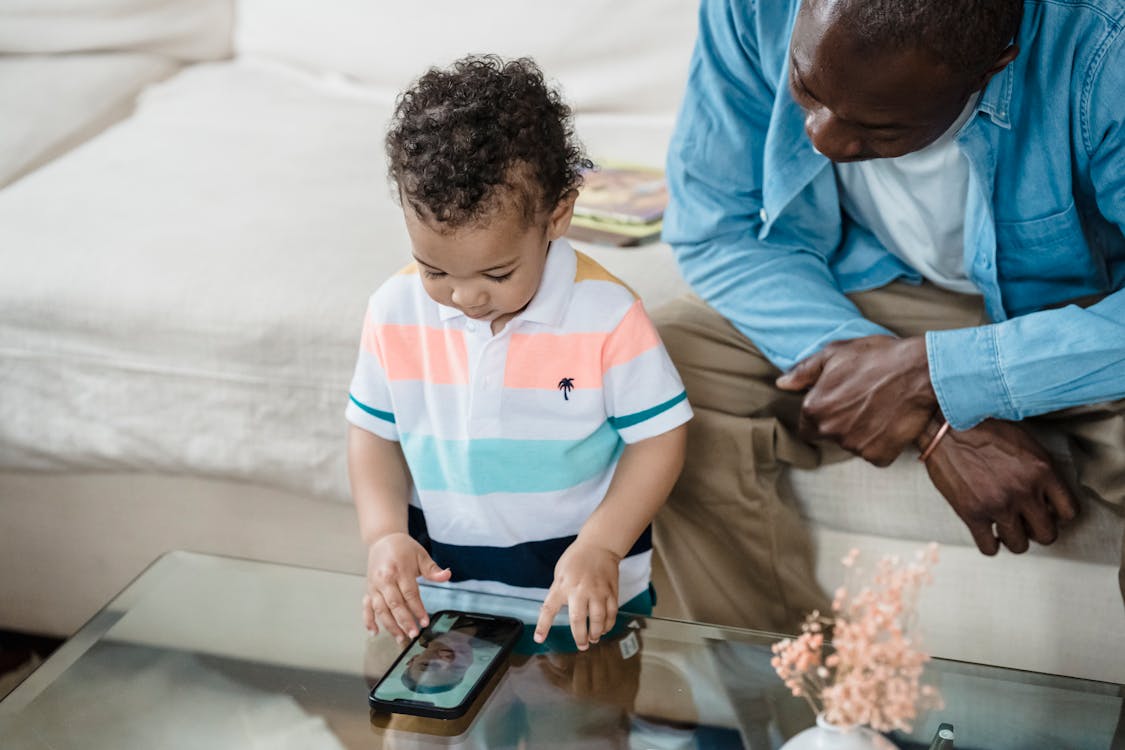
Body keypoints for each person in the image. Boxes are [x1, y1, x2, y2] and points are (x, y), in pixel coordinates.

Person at [655, 0, 1125, 632]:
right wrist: (925, 413)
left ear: (994, 63)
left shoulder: (1105, 44)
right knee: (664, 368)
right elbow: (717, 225)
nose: (820, 138)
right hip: (881, 285)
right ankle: (780, 713)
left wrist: (937, 375)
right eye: (805, 84)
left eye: (880, 130)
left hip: (1085, 311)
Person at [346, 55, 692, 651]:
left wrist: (603, 545)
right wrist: (383, 534)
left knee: (590, 731)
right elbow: (372, 433)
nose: (465, 296)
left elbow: (659, 437)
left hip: (581, 591)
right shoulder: (393, 311)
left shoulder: (607, 317)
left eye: (498, 273)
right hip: (444, 592)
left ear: (558, 215)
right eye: (436, 271)